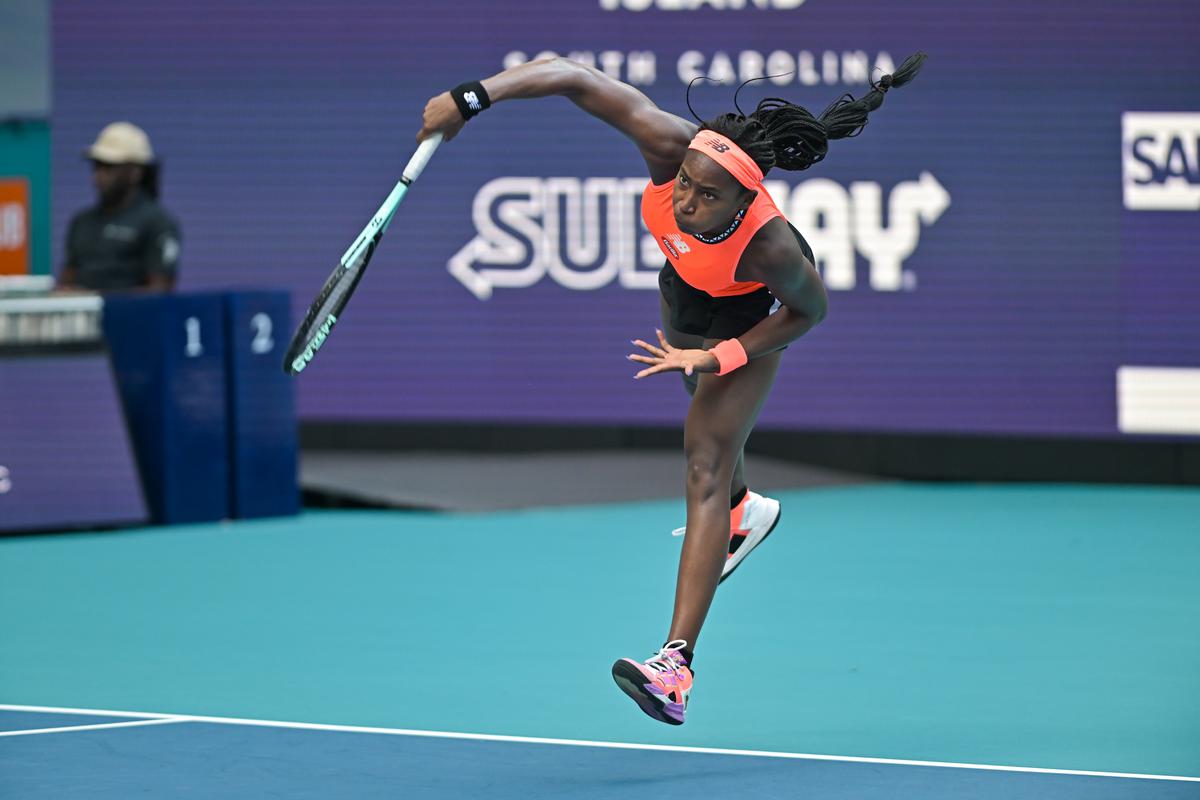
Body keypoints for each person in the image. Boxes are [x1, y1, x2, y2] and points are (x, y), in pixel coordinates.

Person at [417, 52, 925, 725]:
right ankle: (746, 513)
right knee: (712, 440)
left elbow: (810, 312)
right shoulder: (667, 149)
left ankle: (675, 665)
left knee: (703, 462)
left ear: (746, 199)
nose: (686, 201)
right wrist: (473, 94)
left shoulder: (772, 248)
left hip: (746, 316)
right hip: (684, 293)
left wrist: (727, 355)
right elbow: (572, 75)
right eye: (685, 183)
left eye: (708, 195)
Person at [59, 122, 181, 293]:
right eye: (96, 166)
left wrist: (100, 300)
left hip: (133, 318)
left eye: (109, 167)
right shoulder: (81, 221)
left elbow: (159, 291)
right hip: (83, 318)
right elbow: (66, 281)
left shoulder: (159, 223)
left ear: (135, 172)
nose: (98, 176)